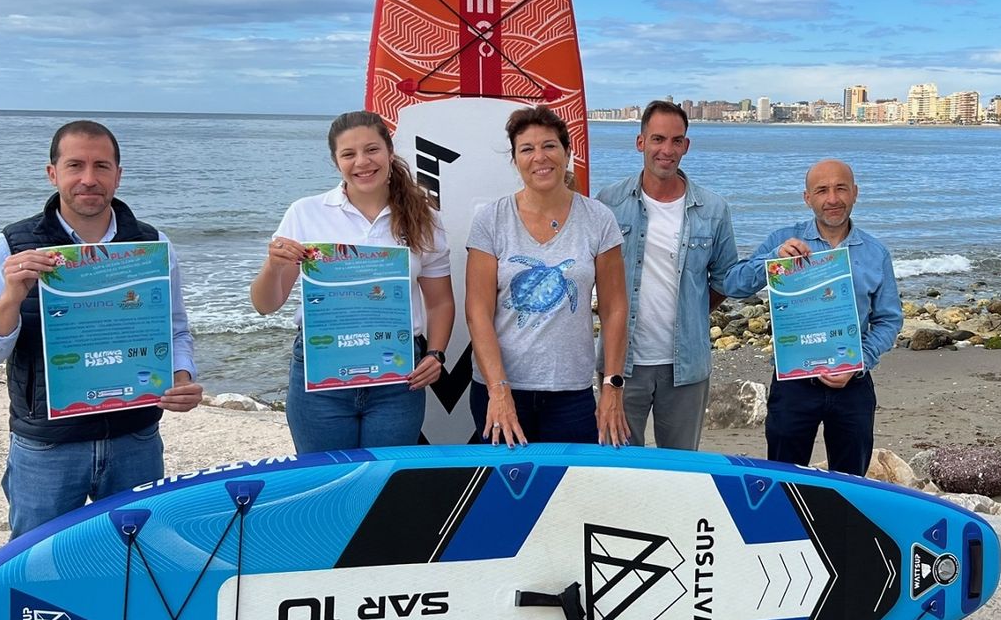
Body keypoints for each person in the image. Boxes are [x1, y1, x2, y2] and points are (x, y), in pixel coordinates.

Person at [0, 119, 204, 620]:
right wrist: (12, 291)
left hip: (134, 439)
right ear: (53, 174)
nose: (88, 178)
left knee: (138, 570)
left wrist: (180, 380)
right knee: (38, 578)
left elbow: (174, 331)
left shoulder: (151, 245)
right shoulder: (13, 245)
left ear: (118, 175)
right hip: (47, 448)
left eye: (100, 166)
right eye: (74, 166)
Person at [251, 111, 454, 453]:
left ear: (390, 152)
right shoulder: (305, 213)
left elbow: (440, 301)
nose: (362, 162)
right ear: (336, 162)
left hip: (398, 377)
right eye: (348, 154)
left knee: (384, 484)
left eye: (372, 149)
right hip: (321, 374)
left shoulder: (424, 217)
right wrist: (273, 266)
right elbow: (264, 305)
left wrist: (436, 353)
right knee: (326, 483)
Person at [724, 159, 902, 476]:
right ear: (808, 198)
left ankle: (842, 527)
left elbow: (889, 320)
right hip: (794, 383)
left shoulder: (875, 253)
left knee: (851, 484)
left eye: (840, 188)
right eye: (822, 190)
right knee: (783, 478)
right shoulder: (783, 241)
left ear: (855, 193)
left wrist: (860, 360)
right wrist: (772, 260)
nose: (832, 199)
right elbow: (734, 284)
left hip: (852, 382)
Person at [465, 106, 630, 447]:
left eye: (550, 146)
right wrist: (499, 390)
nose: (540, 157)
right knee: (502, 492)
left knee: (567, 494)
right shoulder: (491, 220)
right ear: (515, 160)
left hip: (570, 393)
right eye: (527, 149)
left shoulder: (598, 219)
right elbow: (477, 312)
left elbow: (614, 309)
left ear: (567, 152)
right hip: (500, 389)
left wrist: (612, 386)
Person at [596, 100, 738, 450]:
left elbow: (724, 280)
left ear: (686, 146)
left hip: (685, 366)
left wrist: (689, 314)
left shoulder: (713, 209)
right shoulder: (608, 203)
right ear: (640, 142)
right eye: (658, 139)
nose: (667, 150)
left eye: (676, 141)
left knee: (681, 470)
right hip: (622, 365)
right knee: (619, 467)